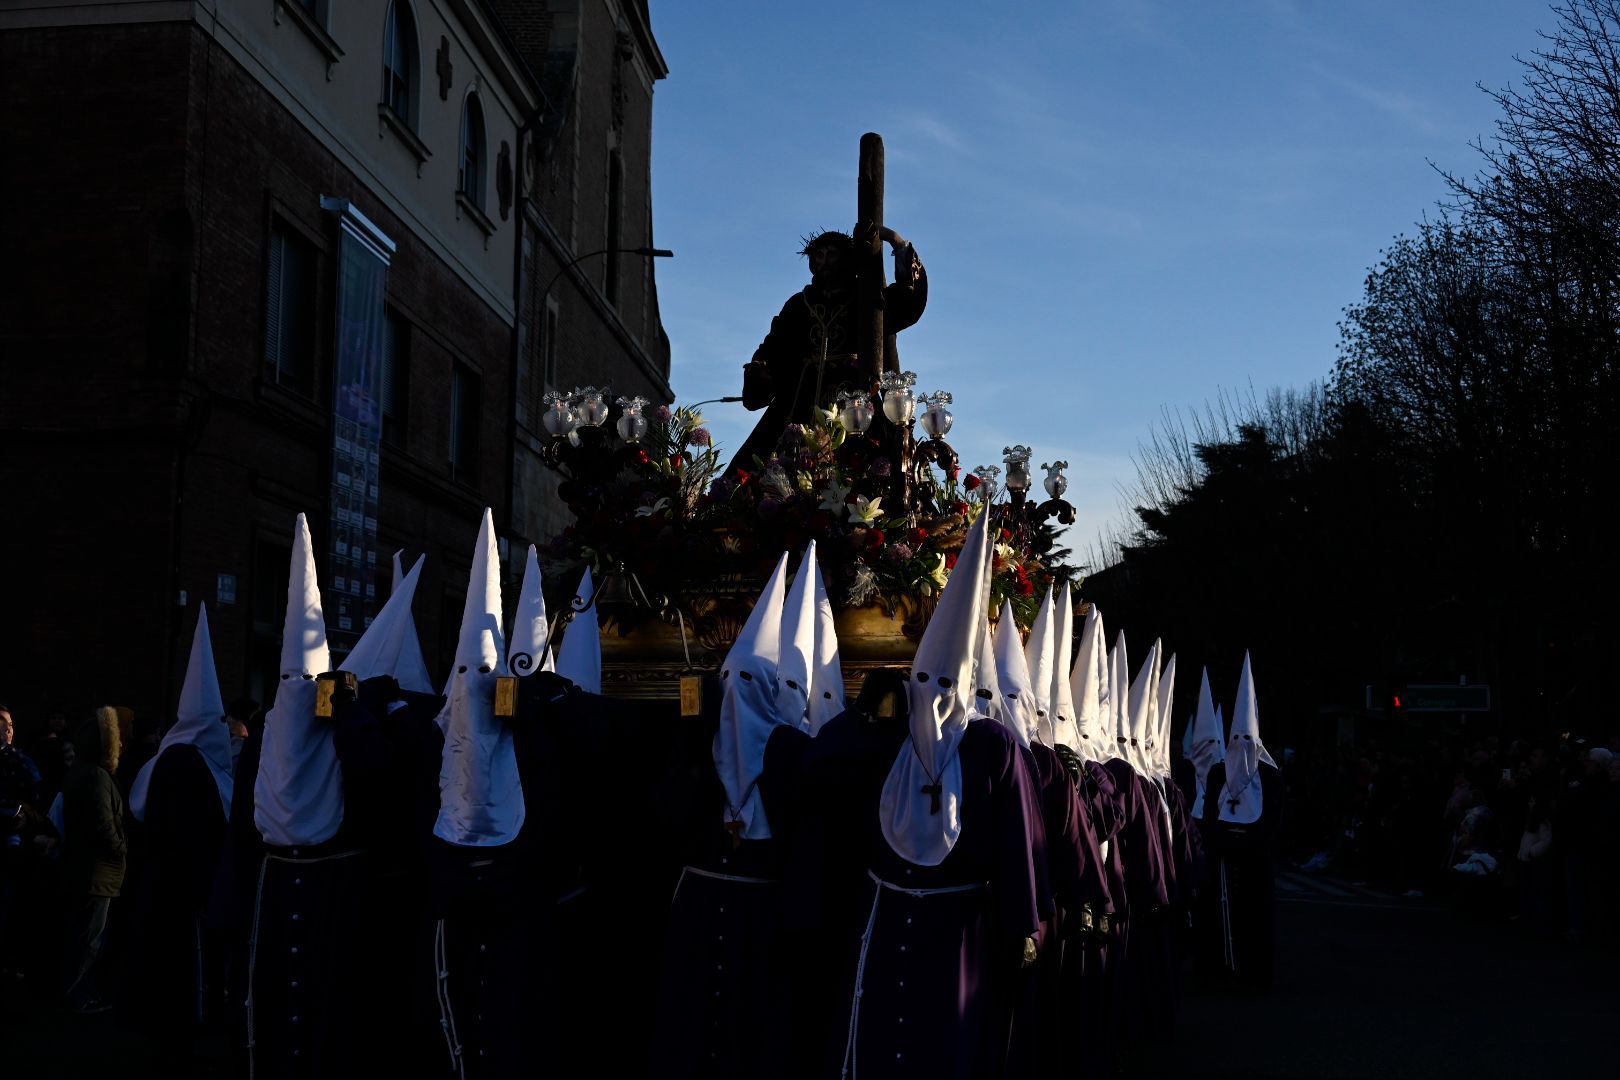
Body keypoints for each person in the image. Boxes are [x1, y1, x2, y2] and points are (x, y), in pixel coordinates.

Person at [837, 507, 1041, 1079]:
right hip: (887, 917)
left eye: (946, 684)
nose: (933, 696)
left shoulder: (993, 748)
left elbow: (1016, 843)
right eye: (923, 680)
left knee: (944, 1046)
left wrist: (1021, 926)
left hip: (959, 931)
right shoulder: (887, 742)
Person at [651, 551, 799, 1079]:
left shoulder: (790, 758)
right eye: (729, 680)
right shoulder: (698, 750)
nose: (736, 693)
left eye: (749, 683)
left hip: (760, 926)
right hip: (698, 917)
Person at [127, 604, 236, 1061]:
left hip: (158, 883)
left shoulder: (164, 761)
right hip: (187, 888)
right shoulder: (190, 766)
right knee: (183, 970)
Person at [729, 226, 927, 474]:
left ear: (846, 259)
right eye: (818, 256)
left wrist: (897, 243)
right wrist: (761, 370)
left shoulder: (865, 299)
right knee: (764, 468)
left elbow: (907, 303)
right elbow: (774, 346)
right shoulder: (799, 303)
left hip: (853, 401)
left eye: (831, 255)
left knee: (867, 468)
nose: (824, 262)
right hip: (800, 402)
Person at [1198, 652, 1281, 990]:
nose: (1241, 746)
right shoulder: (1219, 772)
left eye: (1248, 740)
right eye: (1237, 740)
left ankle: (1253, 974)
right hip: (1223, 861)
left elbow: (1274, 819)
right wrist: (1222, 842)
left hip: (1254, 864)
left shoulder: (1271, 778)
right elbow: (1209, 814)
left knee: (1254, 918)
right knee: (1219, 918)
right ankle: (1220, 971)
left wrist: (1251, 844)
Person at [59, 705, 125, 1013]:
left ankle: (80, 991)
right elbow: (103, 825)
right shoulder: (97, 776)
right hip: (97, 872)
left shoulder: (83, 772)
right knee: (89, 939)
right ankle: (78, 994)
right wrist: (122, 848)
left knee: (84, 936)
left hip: (88, 869)